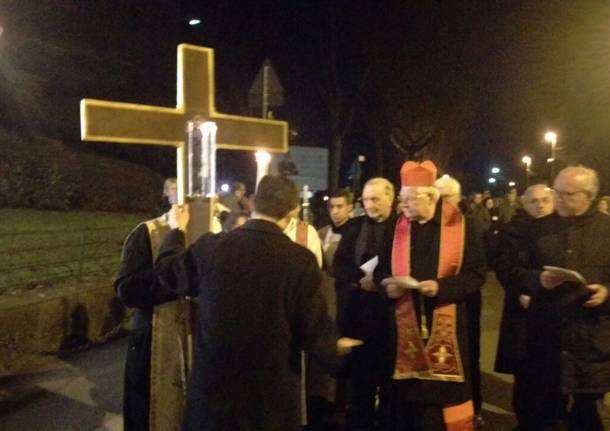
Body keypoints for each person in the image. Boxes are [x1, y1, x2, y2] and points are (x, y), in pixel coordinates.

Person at [155, 175, 361, 431]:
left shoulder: (212, 248)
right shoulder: (299, 261)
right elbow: (313, 329)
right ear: (293, 211)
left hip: (215, 399)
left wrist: (176, 231)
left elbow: (167, 272)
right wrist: (337, 351)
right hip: (269, 403)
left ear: (253, 203)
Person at [376, 161, 486, 431]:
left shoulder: (461, 226)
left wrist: (441, 288)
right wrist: (386, 286)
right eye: (402, 199)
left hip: (445, 322)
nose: (404, 206)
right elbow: (381, 269)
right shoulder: (396, 226)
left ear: (430, 197)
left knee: (438, 409)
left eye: (410, 200)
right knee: (404, 404)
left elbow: (476, 274)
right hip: (403, 325)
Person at [499, 166, 610, 430]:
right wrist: (536, 279)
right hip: (546, 337)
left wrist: (607, 291)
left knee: (589, 414)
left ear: (589, 195)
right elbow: (511, 270)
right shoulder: (537, 230)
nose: (558, 199)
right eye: (556, 192)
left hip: (592, 340)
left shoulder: (606, 230)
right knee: (545, 414)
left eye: (567, 194)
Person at [333, 177, 398, 431]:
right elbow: (340, 263)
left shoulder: (402, 228)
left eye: (375, 199)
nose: (369, 204)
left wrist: (380, 283)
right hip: (358, 315)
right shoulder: (355, 227)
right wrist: (358, 281)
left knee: (390, 382)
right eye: (366, 199)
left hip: (389, 316)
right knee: (360, 383)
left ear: (390, 199)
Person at [114, 177, 178, 431]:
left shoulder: (217, 234)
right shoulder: (148, 233)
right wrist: (174, 277)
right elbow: (127, 289)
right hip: (154, 345)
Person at [493, 184, 555, 429]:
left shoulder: (562, 227)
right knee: (525, 371)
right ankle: (525, 420)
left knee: (552, 370)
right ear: (524, 203)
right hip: (523, 310)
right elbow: (503, 266)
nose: (540, 205)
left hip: (554, 313)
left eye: (545, 200)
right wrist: (520, 290)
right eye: (534, 201)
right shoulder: (513, 230)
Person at [436, 175, 484, 426]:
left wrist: (447, 288)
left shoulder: (469, 225)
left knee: (467, 355)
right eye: (438, 197)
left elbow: (477, 270)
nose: (442, 202)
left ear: (458, 198)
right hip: (437, 303)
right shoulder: (430, 226)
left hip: (464, 302)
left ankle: (472, 407)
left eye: (447, 197)